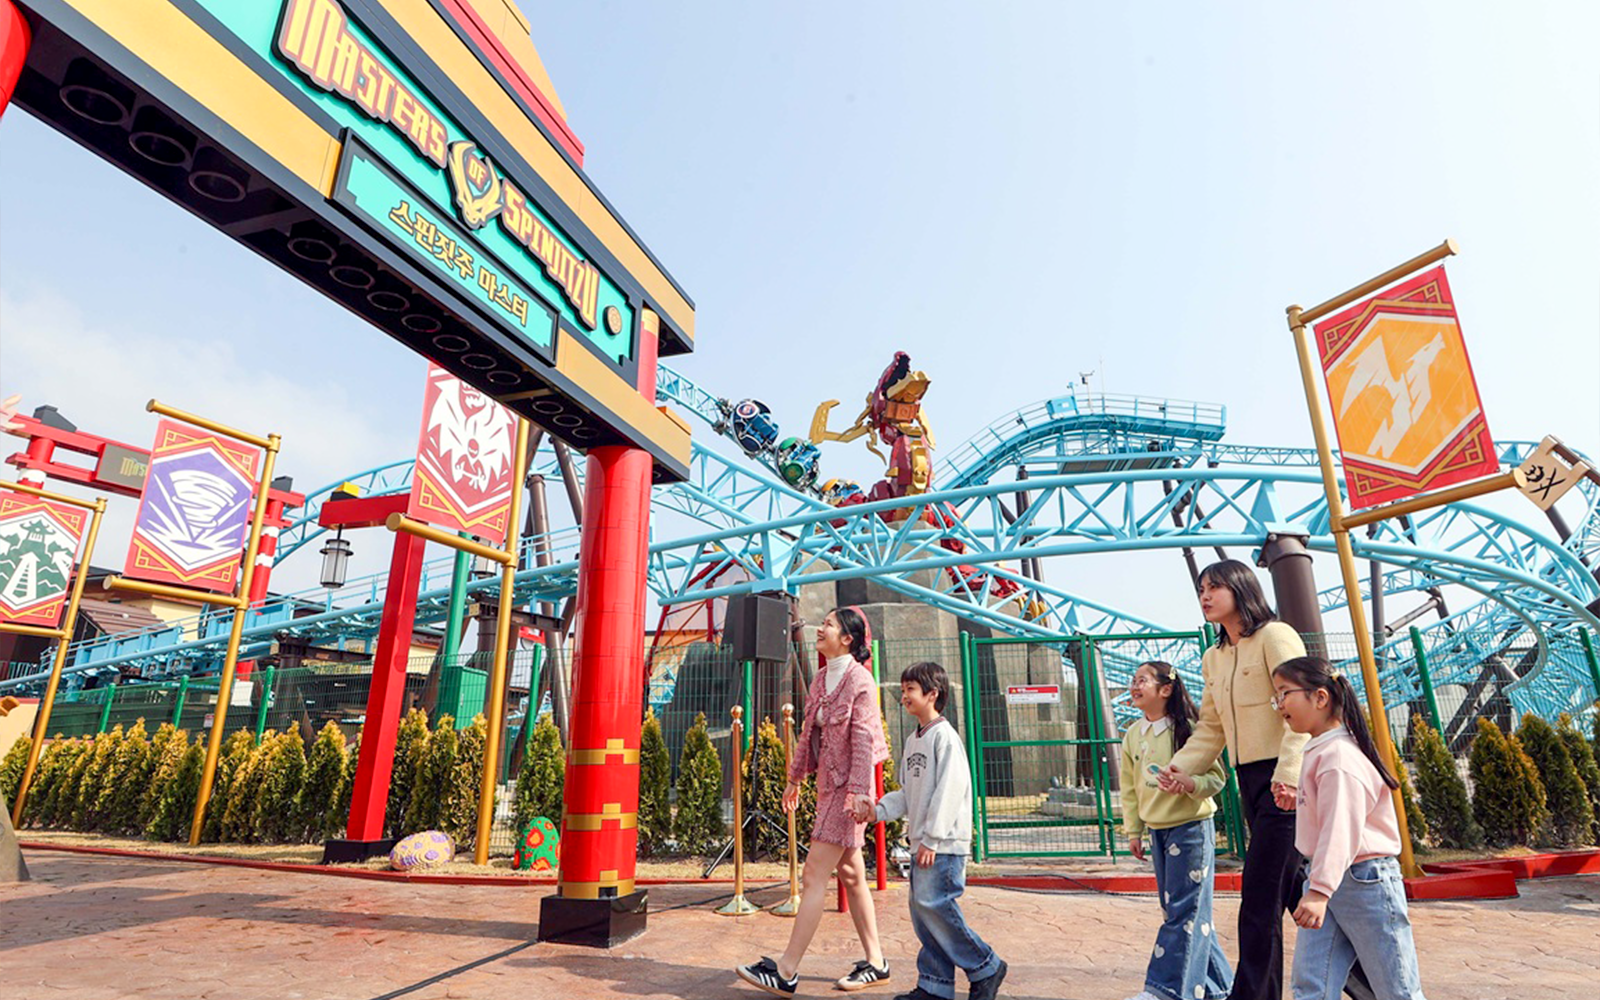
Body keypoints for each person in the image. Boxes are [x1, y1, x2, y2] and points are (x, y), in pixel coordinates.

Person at [1156, 559, 1309, 1000]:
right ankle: (1373, 983)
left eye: (1215, 587)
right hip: (1250, 781)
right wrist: (1180, 768)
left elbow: (1298, 707)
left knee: (1258, 902)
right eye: (1201, 588)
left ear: (1241, 589)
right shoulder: (1213, 657)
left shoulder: (1274, 637)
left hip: (1284, 781)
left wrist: (1290, 775)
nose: (1205, 595)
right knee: (1296, 897)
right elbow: (1211, 728)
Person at [737, 607, 892, 997]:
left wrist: (859, 794)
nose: (819, 629)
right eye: (822, 623)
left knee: (813, 875)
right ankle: (876, 962)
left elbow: (862, 742)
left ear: (848, 639)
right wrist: (795, 779)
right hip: (828, 789)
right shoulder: (823, 677)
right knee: (853, 876)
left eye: (828, 625)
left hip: (848, 795)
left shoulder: (861, 682)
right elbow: (808, 733)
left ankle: (787, 970)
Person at [1271, 656, 1426, 1000]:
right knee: (1312, 983)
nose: (1279, 704)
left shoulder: (1338, 756)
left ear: (1320, 698)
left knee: (1396, 988)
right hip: (1335, 878)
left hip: (1361, 881)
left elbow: (1340, 830)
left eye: (1284, 693)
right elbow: (1333, 817)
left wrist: (1319, 891)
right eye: (1276, 696)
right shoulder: (1325, 748)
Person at [855, 661, 1006, 1000]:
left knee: (936, 907)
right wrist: (877, 810)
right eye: (904, 689)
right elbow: (909, 793)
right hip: (924, 843)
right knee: (924, 915)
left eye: (910, 689)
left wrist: (933, 838)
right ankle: (935, 987)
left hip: (943, 844)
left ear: (932, 694)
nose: (903, 695)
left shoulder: (945, 738)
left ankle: (985, 965)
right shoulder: (914, 740)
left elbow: (949, 791)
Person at [1118, 661, 1232, 1000]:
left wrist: (1191, 784)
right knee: (1184, 913)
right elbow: (1129, 788)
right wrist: (1133, 831)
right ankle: (1225, 990)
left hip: (1191, 829)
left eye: (1143, 680)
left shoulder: (1189, 731)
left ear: (1166, 689)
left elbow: (1216, 778)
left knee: (1184, 912)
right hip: (1157, 832)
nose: (1134, 686)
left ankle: (1165, 991)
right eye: (1133, 680)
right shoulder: (1133, 735)